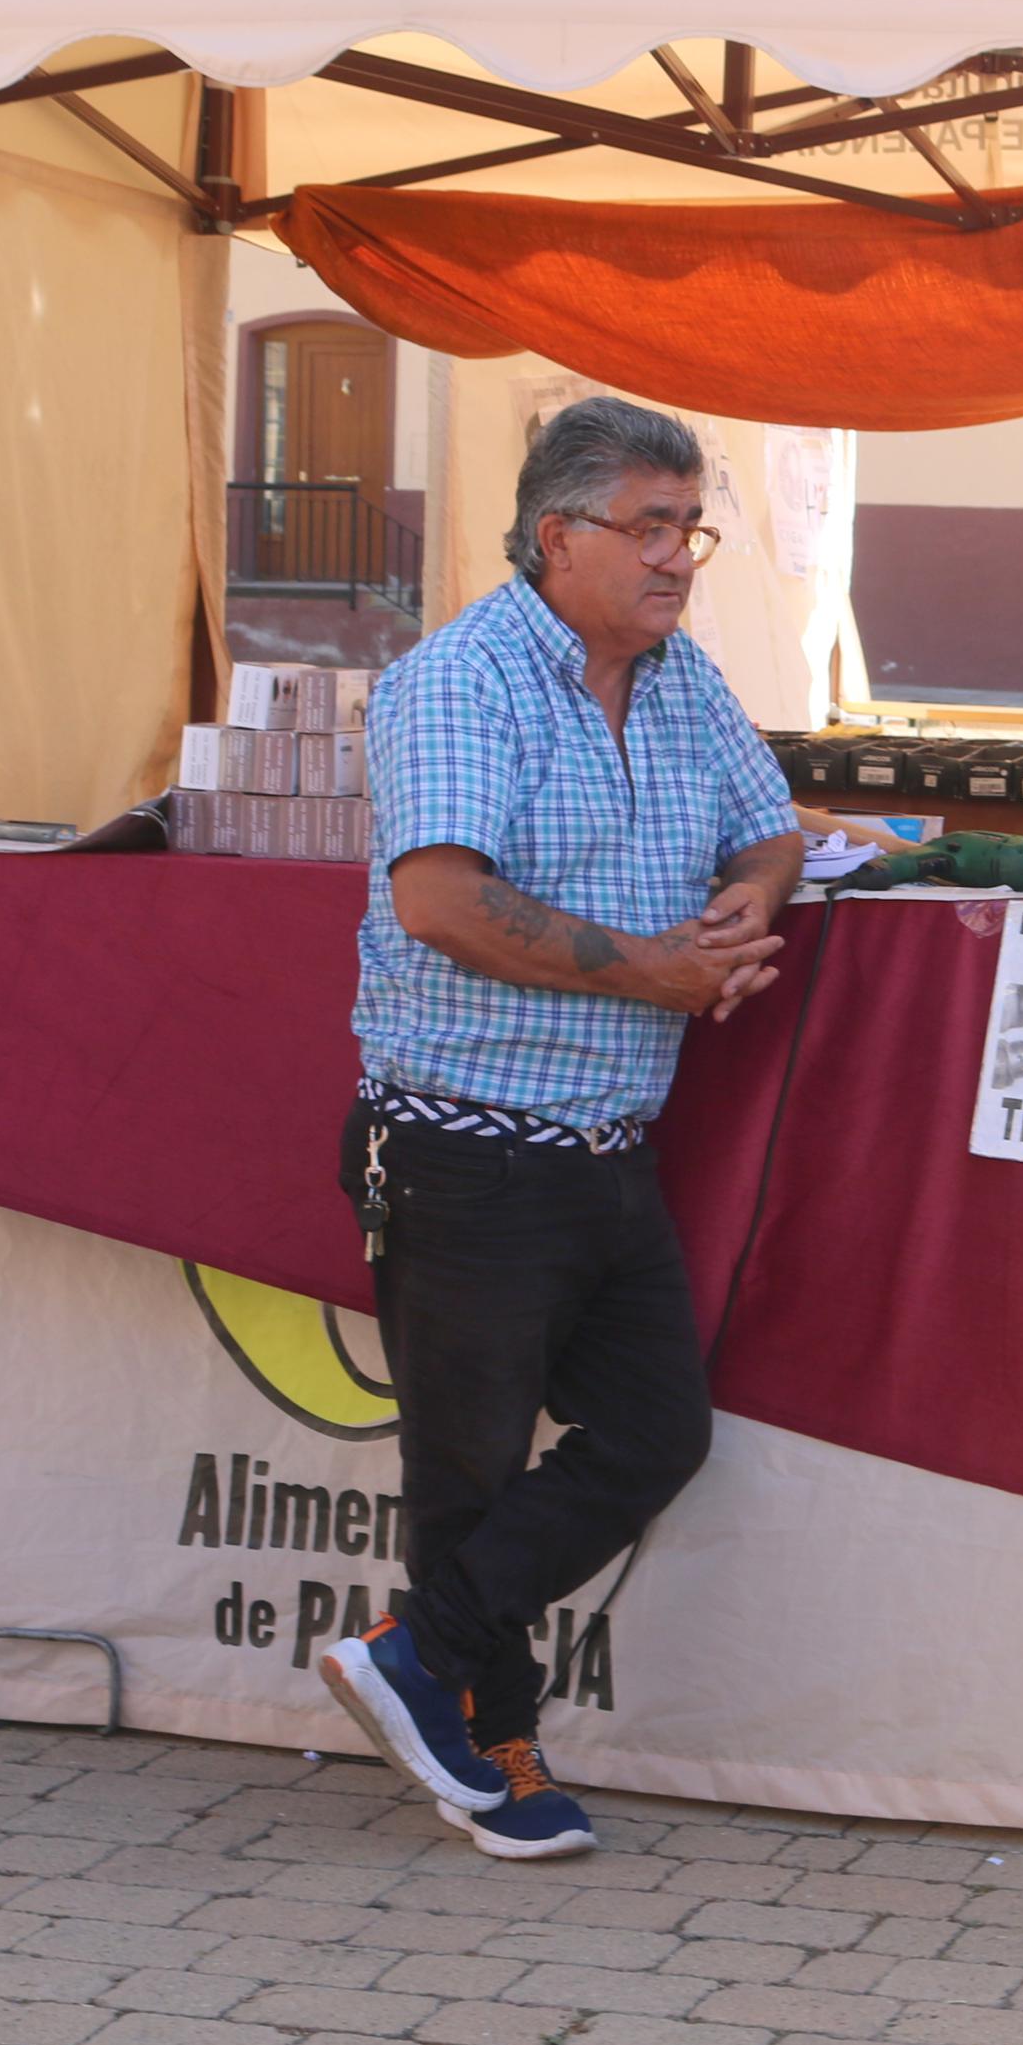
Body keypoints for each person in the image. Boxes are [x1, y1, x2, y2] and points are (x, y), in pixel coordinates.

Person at [320, 396, 802, 1863]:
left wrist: (751, 896)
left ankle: (421, 1657)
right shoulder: (463, 680)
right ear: (556, 536)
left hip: (603, 1140)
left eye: (689, 526)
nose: (677, 558)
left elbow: (770, 817)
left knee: (656, 1428)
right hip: (464, 1139)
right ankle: (492, 1739)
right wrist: (654, 966)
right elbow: (441, 902)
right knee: (464, 1468)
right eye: (648, 527)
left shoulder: (676, 674)